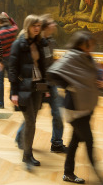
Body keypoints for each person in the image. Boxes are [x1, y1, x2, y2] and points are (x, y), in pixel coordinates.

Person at [46, 31, 103, 185]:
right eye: (89, 43)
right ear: (81, 44)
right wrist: (71, 86)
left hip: (87, 106)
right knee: (89, 142)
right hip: (75, 108)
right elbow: (52, 73)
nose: (92, 46)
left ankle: (68, 173)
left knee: (75, 141)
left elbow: (96, 78)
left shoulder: (88, 58)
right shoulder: (71, 57)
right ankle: (102, 180)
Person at [15, 14, 66, 153]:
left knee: (57, 114)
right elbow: (18, 68)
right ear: (45, 27)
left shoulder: (51, 42)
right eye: (51, 23)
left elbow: (48, 63)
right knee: (32, 116)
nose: (54, 25)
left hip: (50, 84)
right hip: (37, 85)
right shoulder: (33, 42)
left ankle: (57, 143)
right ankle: (21, 138)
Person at [9, 15, 46, 170]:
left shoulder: (39, 43)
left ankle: (26, 149)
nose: (37, 28)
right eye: (34, 25)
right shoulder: (18, 44)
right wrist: (14, 92)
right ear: (27, 26)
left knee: (32, 121)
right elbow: (12, 69)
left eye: (39, 26)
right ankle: (27, 155)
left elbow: (43, 67)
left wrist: (46, 88)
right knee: (30, 121)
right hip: (23, 88)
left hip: (38, 86)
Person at [0, 12, 18, 109]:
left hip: (2, 60)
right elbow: (15, 25)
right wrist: (9, 18)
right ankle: (15, 102)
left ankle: (0, 103)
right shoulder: (13, 30)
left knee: (0, 81)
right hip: (12, 59)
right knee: (13, 80)